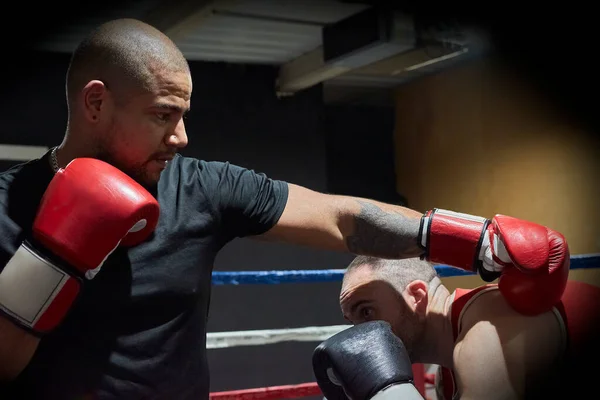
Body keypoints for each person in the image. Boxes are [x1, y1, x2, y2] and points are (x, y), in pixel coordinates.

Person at [0, 18, 571, 400]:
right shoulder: (5, 205)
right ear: (96, 102)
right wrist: (51, 257)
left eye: (184, 115)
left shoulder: (200, 187)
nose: (181, 137)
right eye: (162, 115)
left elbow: (339, 218)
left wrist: (469, 240)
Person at [339, 256, 600, 399]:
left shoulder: (485, 331)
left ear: (417, 297)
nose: (362, 335)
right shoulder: (448, 377)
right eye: (353, 322)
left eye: (366, 312)